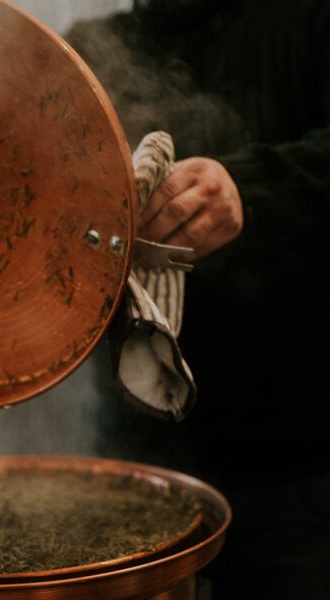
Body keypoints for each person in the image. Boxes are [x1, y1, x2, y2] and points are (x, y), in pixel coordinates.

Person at [64, 0, 330, 598]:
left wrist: (250, 190)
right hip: (133, 467)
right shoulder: (81, 53)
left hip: (295, 473)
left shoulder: (307, 21)